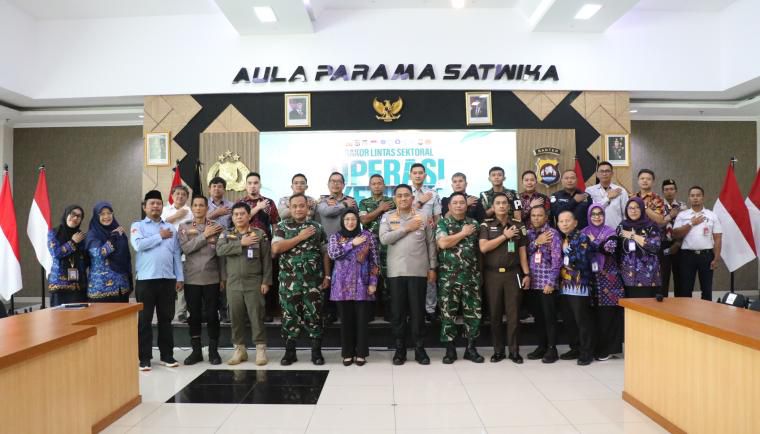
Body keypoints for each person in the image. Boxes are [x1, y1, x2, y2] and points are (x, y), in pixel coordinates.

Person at [379, 184, 437, 366]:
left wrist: (432, 267)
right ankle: (400, 349)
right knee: (397, 313)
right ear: (394, 199)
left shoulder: (423, 216)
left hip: (418, 272)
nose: (403, 198)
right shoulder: (387, 216)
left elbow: (431, 243)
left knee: (418, 312)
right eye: (399, 196)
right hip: (396, 272)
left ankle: (419, 348)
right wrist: (406, 228)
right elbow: (384, 239)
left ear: (412, 198)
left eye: (406, 195)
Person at [272, 194, 331, 366]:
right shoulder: (282, 226)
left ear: (307, 208)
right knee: (289, 316)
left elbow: (325, 252)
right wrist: (300, 237)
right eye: (295, 206)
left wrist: (327, 275)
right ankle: (290, 352)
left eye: (301, 206)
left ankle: (316, 352)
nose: (298, 209)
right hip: (289, 283)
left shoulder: (317, 227)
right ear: (290, 208)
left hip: (313, 282)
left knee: (315, 316)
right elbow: (276, 248)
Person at [130, 190, 184, 371]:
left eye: (159, 203)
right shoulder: (138, 226)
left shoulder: (171, 228)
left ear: (162, 206)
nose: (155, 206)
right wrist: (159, 236)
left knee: (166, 319)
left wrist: (179, 277)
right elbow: (138, 245)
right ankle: (144, 358)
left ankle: (167, 355)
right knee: (144, 320)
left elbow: (176, 254)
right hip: (146, 280)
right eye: (152, 203)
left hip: (167, 280)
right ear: (144, 207)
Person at [217, 202, 273, 365]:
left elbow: (266, 259)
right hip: (233, 283)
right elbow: (220, 250)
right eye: (236, 214)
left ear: (249, 216)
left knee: (256, 316)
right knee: (235, 317)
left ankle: (260, 349)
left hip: (254, 282)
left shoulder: (259, 234)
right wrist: (241, 243)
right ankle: (239, 350)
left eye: (242, 214)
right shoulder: (226, 234)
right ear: (232, 217)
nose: (239, 217)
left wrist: (266, 281)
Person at [479, 192, 530, 363]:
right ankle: (498, 351)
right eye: (498, 203)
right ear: (492, 207)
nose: (501, 206)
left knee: (513, 315)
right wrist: (504, 236)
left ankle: (514, 351)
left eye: (504, 203)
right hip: (492, 275)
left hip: (513, 274)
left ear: (508, 207)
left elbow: (522, 252)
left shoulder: (518, 225)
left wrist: (527, 274)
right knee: (495, 315)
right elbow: (484, 247)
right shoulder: (486, 225)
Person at [436, 192, 484, 364]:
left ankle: (471, 348)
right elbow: (443, 243)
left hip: (471, 276)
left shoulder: (475, 224)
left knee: (474, 313)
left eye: (461, 202)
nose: (458, 205)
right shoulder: (443, 223)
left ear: (466, 205)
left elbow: (480, 250)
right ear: (449, 206)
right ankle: (450, 349)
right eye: (454, 203)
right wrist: (463, 233)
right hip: (448, 278)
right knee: (447, 314)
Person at [327, 209, 379, 366]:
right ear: (343, 221)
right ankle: (347, 353)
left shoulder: (368, 236)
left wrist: (373, 282)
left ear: (358, 221)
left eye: (353, 219)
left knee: (362, 321)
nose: (350, 222)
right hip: (341, 286)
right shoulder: (335, 237)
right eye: (347, 219)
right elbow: (333, 254)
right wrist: (352, 244)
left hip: (362, 284)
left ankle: (361, 353)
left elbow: (375, 261)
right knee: (346, 322)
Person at [178, 196, 225, 366]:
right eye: (195, 205)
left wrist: (223, 277)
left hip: (212, 278)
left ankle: (213, 351)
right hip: (192, 279)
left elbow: (221, 255)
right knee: (194, 316)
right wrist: (204, 235)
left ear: (207, 208)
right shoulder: (184, 227)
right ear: (192, 208)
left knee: (213, 315)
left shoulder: (217, 227)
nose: (198, 208)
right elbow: (186, 248)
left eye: (201, 205)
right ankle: (196, 351)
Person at [581, 204, 624, 361]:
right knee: (593, 316)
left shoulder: (610, 232)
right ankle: (594, 348)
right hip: (591, 279)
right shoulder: (584, 232)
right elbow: (581, 251)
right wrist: (598, 244)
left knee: (608, 315)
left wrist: (593, 244)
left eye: (600, 213)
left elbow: (609, 248)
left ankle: (608, 349)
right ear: (589, 216)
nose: (597, 217)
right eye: (593, 214)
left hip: (609, 280)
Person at [239, 172, 280, 321]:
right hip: (246, 244)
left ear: (260, 185)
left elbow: (275, 224)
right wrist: (257, 208)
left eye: (255, 183)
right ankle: (247, 313)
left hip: (265, 245)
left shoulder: (269, 202)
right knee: (249, 277)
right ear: (246, 186)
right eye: (250, 183)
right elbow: (241, 219)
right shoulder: (241, 203)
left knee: (267, 276)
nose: (253, 186)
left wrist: (275, 243)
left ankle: (267, 311)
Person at [556, 210, 594, 366]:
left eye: (567, 220)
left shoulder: (582, 237)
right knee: (569, 320)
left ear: (575, 222)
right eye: (561, 221)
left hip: (579, 287)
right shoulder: (562, 238)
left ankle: (586, 352)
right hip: (565, 286)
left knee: (582, 321)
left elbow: (582, 261)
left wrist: (567, 250)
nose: (564, 224)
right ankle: (575, 348)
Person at [525, 206, 562, 363]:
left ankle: (552, 349)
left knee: (549, 318)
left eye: (539, 215)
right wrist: (536, 242)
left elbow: (557, 260)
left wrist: (551, 282)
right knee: (538, 318)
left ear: (546, 217)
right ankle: (541, 346)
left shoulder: (553, 234)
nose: (536, 218)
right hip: (533, 283)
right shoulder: (528, 233)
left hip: (547, 283)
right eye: (533, 215)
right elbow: (524, 253)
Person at [672, 186, 722, 300]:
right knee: (685, 289)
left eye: (698, 195)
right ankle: (686, 311)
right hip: (687, 256)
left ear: (703, 198)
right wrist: (691, 223)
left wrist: (716, 258)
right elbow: (675, 234)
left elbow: (718, 238)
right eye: (692, 196)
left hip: (706, 256)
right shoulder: (682, 215)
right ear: (689, 198)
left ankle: (706, 311)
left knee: (707, 289)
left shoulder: (712, 215)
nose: (695, 198)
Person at [358, 174, 395, 320]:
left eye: (379, 183)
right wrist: (380, 209)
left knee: (387, 277)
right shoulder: (364, 202)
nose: (377, 186)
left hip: (388, 245)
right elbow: (364, 220)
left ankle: (388, 312)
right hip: (370, 245)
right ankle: (370, 312)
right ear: (369, 186)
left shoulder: (392, 201)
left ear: (384, 185)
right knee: (370, 276)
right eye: (374, 184)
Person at [408, 163, 441, 322]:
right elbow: (402, 214)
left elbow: (437, 217)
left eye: (420, 173)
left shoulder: (432, 194)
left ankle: (430, 308)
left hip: (428, 239)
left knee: (430, 274)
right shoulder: (404, 193)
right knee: (411, 276)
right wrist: (420, 202)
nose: (418, 175)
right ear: (410, 175)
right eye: (415, 173)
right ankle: (412, 309)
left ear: (425, 175)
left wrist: (435, 226)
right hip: (408, 239)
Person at [86, 201, 132, 302]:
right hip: (100, 290)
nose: (106, 216)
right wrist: (113, 238)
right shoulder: (92, 234)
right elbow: (100, 254)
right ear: (96, 216)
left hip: (121, 288)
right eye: (102, 214)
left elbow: (127, 257)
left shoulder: (118, 231)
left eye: (109, 213)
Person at [617, 197, 662, 298]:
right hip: (627, 275)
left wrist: (633, 236)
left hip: (648, 275)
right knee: (630, 305)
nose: (633, 211)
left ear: (642, 209)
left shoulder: (651, 225)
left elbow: (655, 246)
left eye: (637, 207)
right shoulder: (622, 226)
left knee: (646, 305)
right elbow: (618, 249)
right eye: (630, 208)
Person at [47, 205, 88, 306]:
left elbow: (86, 259)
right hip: (59, 286)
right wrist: (72, 242)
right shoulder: (54, 233)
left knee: (80, 314)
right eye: (73, 214)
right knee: (59, 315)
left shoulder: (81, 236)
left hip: (78, 286)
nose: (75, 218)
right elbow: (56, 253)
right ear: (66, 214)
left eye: (79, 216)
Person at [162, 185, 192, 322]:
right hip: (166, 250)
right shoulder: (164, 210)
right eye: (177, 194)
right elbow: (158, 225)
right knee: (167, 282)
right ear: (172, 196)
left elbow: (194, 229)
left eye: (183, 194)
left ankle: (181, 312)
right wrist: (176, 216)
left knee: (182, 280)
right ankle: (166, 313)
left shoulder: (190, 211)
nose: (180, 196)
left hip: (184, 250)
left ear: (187, 197)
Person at [207, 176, 234, 323]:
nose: (217, 189)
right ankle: (208, 312)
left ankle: (224, 312)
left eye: (220, 186)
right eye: (214, 186)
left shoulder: (231, 205)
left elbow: (235, 224)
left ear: (224, 189)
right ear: (209, 189)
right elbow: (197, 221)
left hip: (225, 245)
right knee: (209, 278)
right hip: (206, 246)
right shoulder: (202, 204)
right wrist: (216, 213)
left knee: (224, 278)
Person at [660, 179, 687, 296]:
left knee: (680, 275)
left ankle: (679, 303)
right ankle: (662, 302)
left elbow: (686, 226)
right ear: (662, 191)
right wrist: (670, 216)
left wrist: (678, 243)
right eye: (666, 189)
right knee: (663, 275)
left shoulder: (683, 206)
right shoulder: (658, 206)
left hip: (678, 244)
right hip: (663, 244)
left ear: (676, 191)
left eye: (671, 189)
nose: (669, 192)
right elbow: (656, 224)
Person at [586, 162, 628, 229]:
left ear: (612, 174)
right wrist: (608, 198)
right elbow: (592, 210)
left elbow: (626, 214)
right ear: (597, 174)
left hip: (616, 231)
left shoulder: (621, 191)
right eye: (601, 171)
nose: (604, 174)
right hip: (596, 232)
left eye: (607, 171)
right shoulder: (590, 191)